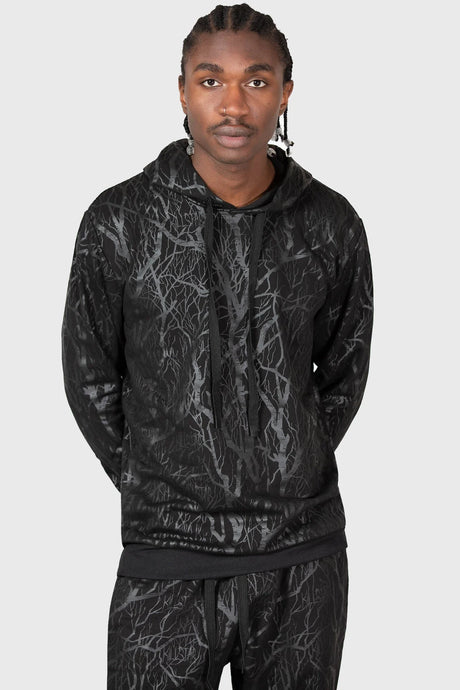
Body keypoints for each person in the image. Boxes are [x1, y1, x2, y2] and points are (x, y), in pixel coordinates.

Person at [61, 4, 374, 689]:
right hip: (166, 555)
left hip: (302, 556)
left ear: (285, 92)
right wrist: (155, 475)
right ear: (182, 91)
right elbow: (90, 377)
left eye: (256, 81)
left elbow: (344, 370)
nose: (234, 105)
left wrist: (286, 453)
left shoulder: (331, 224)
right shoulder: (119, 221)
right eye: (211, 81)